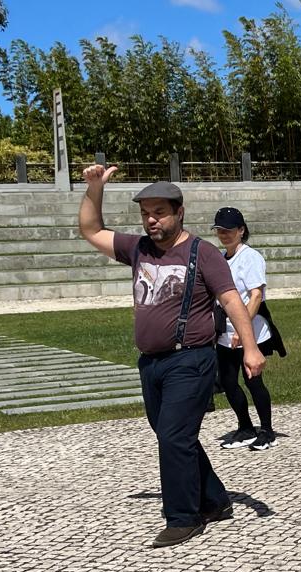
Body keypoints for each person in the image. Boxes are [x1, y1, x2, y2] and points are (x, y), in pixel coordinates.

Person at [76, 168, 265, 548]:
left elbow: (231, 300)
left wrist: (250, 347)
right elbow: (91, 230)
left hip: (191, 360)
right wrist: (94, 189)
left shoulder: (204, 253)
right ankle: (214, 500)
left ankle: (183, 517)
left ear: (179, 212)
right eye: (146, 212)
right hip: (151, 362)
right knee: (172, 435)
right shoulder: (138, 249)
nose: (151, 220)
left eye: (159, 212)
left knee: (174, 437)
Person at [212, 207, 281, 452]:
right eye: (220, 230)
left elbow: (256, 296)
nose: (224, 234)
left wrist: (242, 331)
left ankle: (267, 430)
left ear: (241, 230)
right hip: (225, 332)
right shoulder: (221, 258)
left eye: (229, 230)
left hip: (251, 331)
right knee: (229, 382)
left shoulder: (250, 258)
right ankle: (245, 426)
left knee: (253, 381)